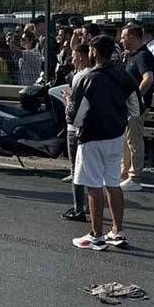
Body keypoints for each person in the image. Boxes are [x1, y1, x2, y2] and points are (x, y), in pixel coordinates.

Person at [68, 35, 140, 251]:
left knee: (94, 185)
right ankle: (117, 231)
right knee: (113, 183)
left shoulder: (86, 79)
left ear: (94, 52)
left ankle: (96, 236)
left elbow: (75, 117)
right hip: (115, 136)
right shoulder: (124, 75)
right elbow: (136, 108)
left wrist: (69, 102)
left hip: (91, 137)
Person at [119, 24, 154, 191]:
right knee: (126, 140)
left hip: (136, 107)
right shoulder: (132, 56)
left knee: (134, 141)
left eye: (124, 37)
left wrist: (135, 98)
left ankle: (135, 177)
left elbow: (148, 79)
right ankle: (125, 173)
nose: (121, 40)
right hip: (129, 106)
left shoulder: (143, 56)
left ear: (132, 36)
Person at [60, 42, 93, 222]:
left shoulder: (80, 76)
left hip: (75, 127)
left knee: (76, 169)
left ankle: (78, 207)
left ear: (80, 56)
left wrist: (68, 99)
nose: (71, 59)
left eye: (73, 56)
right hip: (91, 127)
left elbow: (73, 108)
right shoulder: (95, 74)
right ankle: (91, 205)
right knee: (92, 170)